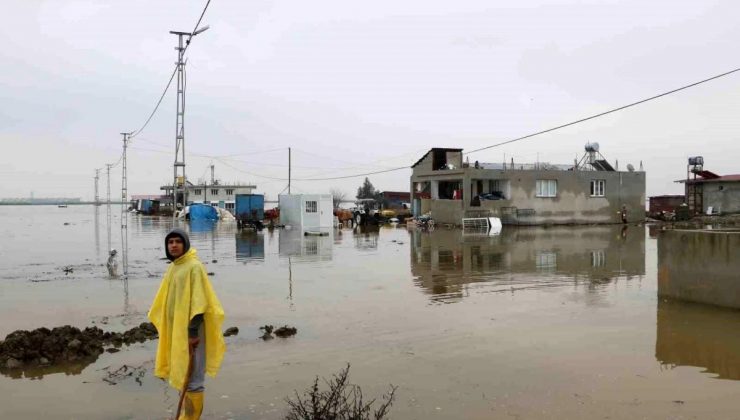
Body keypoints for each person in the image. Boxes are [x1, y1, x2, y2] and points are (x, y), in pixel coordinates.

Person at [148, 228, 225, 420]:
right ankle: (186, 415)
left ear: (185, 244)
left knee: (193, 378)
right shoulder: (175, 267)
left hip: (193, 331)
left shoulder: (193, 266)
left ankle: (191, 418)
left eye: (177, 241)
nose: (173, 245)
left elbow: (200, 302)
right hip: (178, 331)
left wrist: (192, 333)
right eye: (170, 242)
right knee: (183, 372)